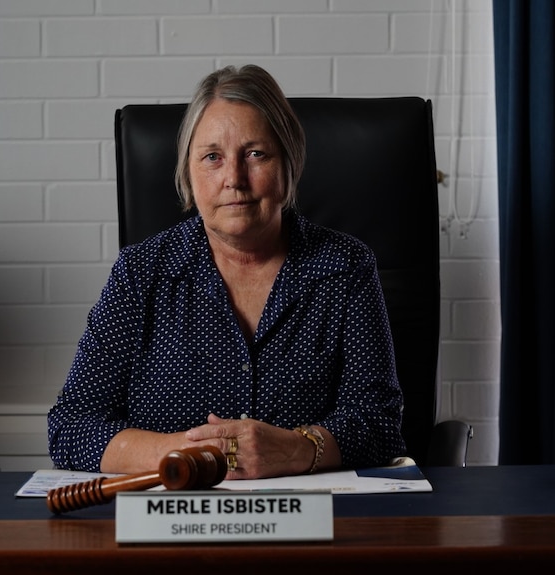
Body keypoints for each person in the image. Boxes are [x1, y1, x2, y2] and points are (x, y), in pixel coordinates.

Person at [47, 64, 406, 479]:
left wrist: (296, 448)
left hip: (309, 524)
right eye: (212, 157)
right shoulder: (141, 273)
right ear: (188, 172)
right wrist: (186, 452)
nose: (234, 179)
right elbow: (71, 429)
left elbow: (380, 425)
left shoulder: (344, 267)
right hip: (172, 518)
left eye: (255, 154)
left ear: (288, 165)